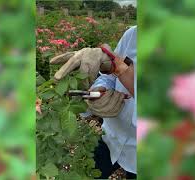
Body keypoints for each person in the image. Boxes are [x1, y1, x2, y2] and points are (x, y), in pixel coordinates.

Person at [50, 26, 137, 179]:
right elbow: (109, 77)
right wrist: (99, 89)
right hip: (110, 136)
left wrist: (119, 67)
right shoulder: (134, 34)